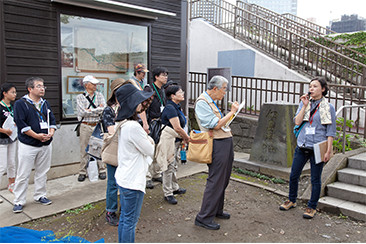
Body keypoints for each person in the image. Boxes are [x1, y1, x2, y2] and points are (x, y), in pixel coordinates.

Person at [279, 77, 336, 219]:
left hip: (318, 146)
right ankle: (292, 200)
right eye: (310, 86)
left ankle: (312, 206)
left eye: (315, 86)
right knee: (293, 175)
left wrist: (328, 150)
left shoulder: (328, 107)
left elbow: (330, 131)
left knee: (315, 179)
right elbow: (297, 122)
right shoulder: (304, 103)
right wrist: (304, 105)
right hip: (302, 144)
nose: (311, 89)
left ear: (323, 89)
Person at [194, 75, 239, 230]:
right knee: (216, 180)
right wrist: (232, 112)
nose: (225, 92)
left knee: (224, 178)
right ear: (215, 88)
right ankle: (204, 217)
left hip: (224, 142)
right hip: (216, 143)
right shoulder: (202, 102)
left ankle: (216, 209)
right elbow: (216, 125)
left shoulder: (210, 101)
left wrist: (232, 113)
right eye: (224, 89)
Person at [114, 83, 155, 243]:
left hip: (124, 177)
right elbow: (151, 150)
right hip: (132, 180)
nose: (142, 104)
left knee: (125, 219)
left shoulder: (124, 124)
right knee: (130, 222)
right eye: (138, 100)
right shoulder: (133, 127)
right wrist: (150, 140)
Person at [12, 77, 57, 213]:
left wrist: (51, 132)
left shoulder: (45, 103)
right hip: (28, 144)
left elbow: (52, 120)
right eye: (38, 86)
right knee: (23, 173)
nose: (42, 88)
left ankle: (40, 195)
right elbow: (21, 123)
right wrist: (36, 136)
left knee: (42, 171)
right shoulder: (21, 104)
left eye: (43, 86)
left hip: (46, 143)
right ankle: (19, 200)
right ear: (30, 89)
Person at [155, 85, 189, 204]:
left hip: (175, 140)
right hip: (169, 140)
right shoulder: (170, 108)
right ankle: (168, 193)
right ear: (173, 96)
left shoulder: (176, 107)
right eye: (180, 92)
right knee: (168, 166)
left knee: (174, 165)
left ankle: (174, 187)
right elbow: (177, 128)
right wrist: (187, 137)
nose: (183, 93)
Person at [101, 78, 125, 226]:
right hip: (114, 149)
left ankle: (124, 209)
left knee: (125, 182)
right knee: (112, 182)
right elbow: (111, 130)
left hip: (127, 150)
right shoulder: (109, 110)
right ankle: (110, 211)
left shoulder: (128, 107)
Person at [76, 75, 106, 182]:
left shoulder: (99, 95)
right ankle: (82, 171)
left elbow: (103, 109)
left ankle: (102, 169)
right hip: (85, 125)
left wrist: (90, 110)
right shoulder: (80, 97)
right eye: (93, 84)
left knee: (99, 147)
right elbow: (82, 112)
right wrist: (97, 109)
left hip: (97, 125)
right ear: (86, 85)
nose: (95, 86)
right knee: (84, 149)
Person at [143, 67, 169, 189]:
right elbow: (143, 108)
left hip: (160, 123)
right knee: (149, 150)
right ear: (156, 77)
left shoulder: (162, 90)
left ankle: (156, 173)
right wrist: (145, 124)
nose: (166, 77)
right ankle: (147, 177)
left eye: (166, 75)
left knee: (158, 149)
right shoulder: (149, 89)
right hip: (151, 123)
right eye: (163, 75)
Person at [0, 83, 17, 200]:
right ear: (4, 93)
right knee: (2, 166)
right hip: (1, 139)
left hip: (12, 138)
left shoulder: (13, 106)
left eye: (15, 92)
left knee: (12, 163)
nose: (15, 94)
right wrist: (4, 130)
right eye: (12, 92)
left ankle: (12, 184)